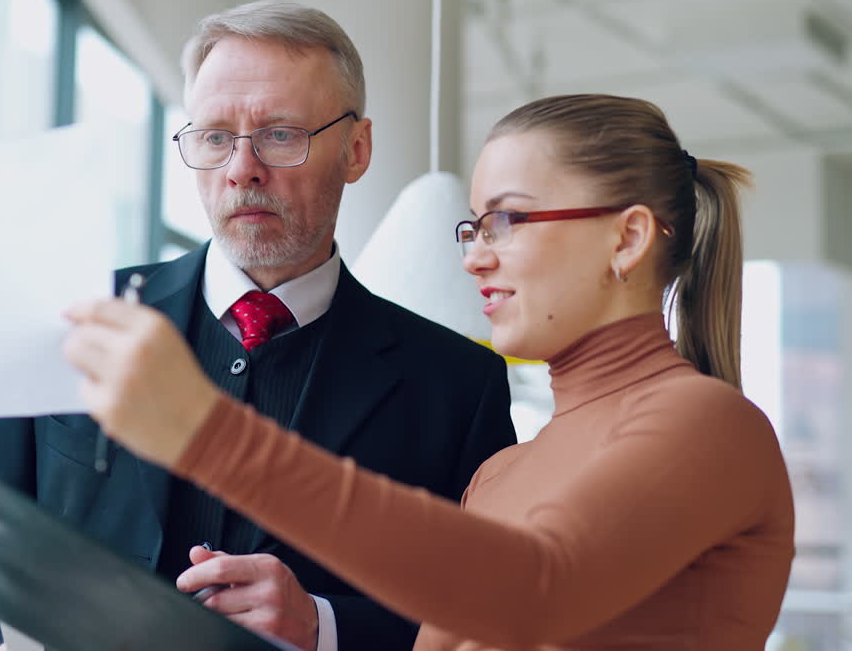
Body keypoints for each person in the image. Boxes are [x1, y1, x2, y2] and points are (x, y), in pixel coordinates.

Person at [65, 93, 796, 649]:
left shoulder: (708, 424)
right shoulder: (500, 477)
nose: (475, 253)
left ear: (628, 237)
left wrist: (212, 436)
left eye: (508, 221)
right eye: (472, 226)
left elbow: (535, 587)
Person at [0, 1, 516, 651]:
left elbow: (489, 616)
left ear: (357, 149)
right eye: (214, 137)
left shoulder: (459, 386)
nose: (241, 168)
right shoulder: (77, 316)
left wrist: (324, 625)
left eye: (281, 134)